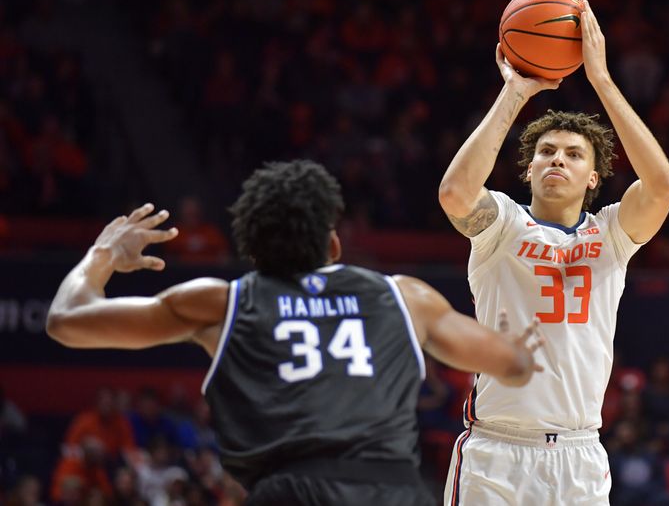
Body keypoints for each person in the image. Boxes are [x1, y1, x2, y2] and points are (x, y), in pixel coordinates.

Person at [46, 159, 546, 506]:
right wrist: (518, 346)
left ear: (253, 250)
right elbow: (515, 366)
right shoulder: (404, 297)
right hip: (391, 490)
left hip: (285, 491)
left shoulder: (218, 303)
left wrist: (105, 252)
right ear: (332, 245)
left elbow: (66, 321)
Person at [438, 0, 669, 505]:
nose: (556, 160)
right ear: (527, 169)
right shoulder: (502, 224)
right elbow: (455, 194)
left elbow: (660, 188)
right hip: (496, 452)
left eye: (572, 154)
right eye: (545, 151)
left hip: (579, 454)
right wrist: (515, 91)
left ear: (593, 178)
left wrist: (603, 80)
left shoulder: (612, 234)